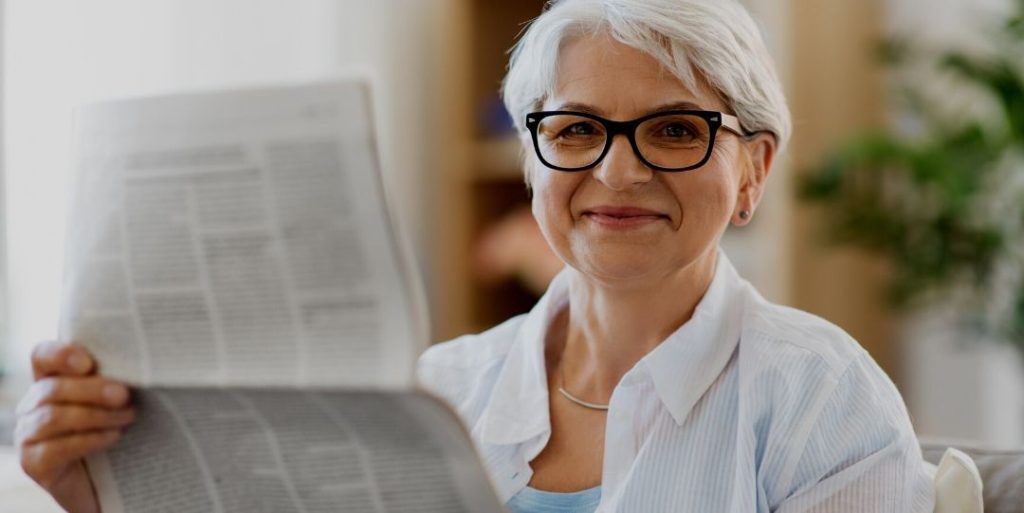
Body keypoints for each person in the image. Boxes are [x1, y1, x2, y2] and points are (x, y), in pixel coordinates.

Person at [17, 0, 935, 511]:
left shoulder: (824, 399)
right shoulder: (434, 390)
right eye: (575, 129)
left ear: (752, 169)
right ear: (534, 156)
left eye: (675, 128)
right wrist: (96, 495)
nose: (618, 169)